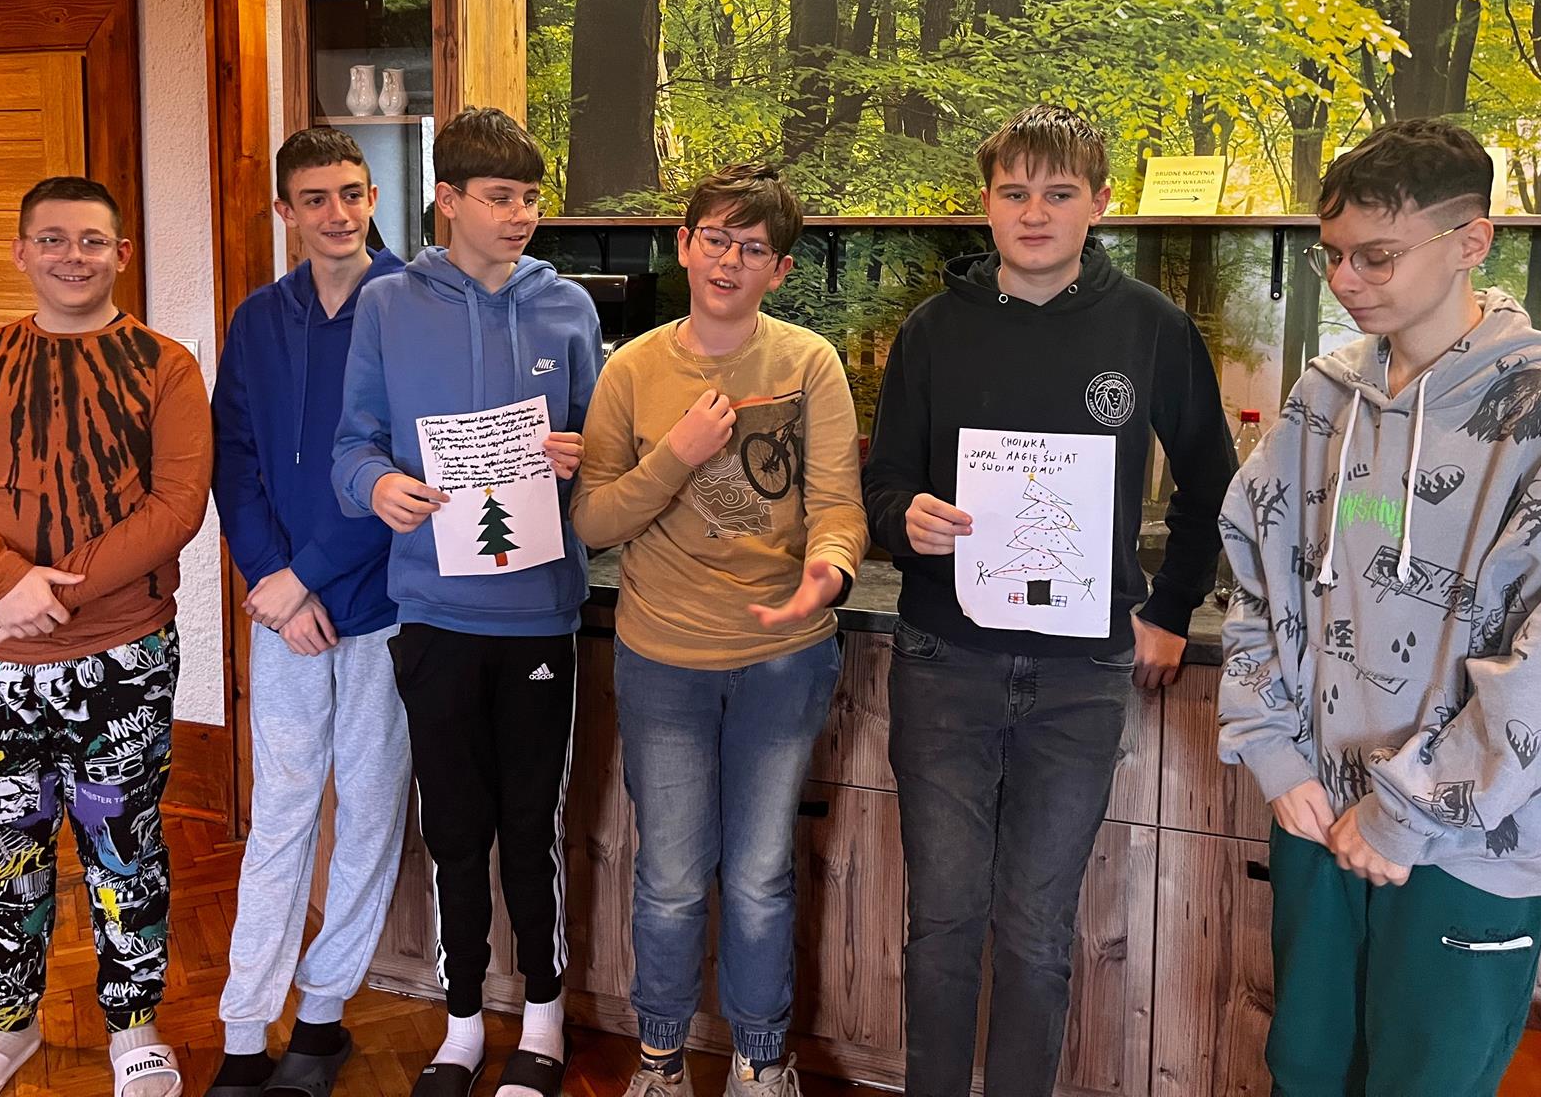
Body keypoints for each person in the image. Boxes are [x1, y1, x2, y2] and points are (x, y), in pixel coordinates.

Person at [1218, 119, 1541, 1096]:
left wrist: (1407, 817)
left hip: (1469, 845)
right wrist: (1275, 754)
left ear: (1470, 241)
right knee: (1305, 1072)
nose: (1346, 279)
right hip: (1322, 816)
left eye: (1377, 255)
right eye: (1332, 255)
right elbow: (1256, 577)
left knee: (1425, 1084)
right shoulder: (1323, 402)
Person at [860, 104, 1237, 1097]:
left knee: (1036, 929)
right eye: (1015, 192)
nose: (1035, 213)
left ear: (1098, 203)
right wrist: (905, 518)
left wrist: (1171, 608)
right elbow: (884, 479)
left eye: (1058, 193)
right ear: (986, 204)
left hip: (1081, 676)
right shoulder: (933, 331)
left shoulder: (1151, 328)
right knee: (942, 921)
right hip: (945, 662)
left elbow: (1212, 481)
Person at [0, 176, 212, 1097]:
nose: (71, 256)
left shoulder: (165, 366)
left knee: (124, 842)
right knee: (4, 848)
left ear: (122, 255)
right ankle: (8, 1024)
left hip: (122, 656)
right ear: (21, 252)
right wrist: (4, 583)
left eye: (90, 241)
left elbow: (177, 508)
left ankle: (134, 1029)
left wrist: (50, 594)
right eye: (51, 239)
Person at [571, 163, 868, 1097]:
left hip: (783, 659)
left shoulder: (809, 364)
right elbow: (594, 520)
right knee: (667, 876)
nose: (729, 261)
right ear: (684, 246)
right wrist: (676, 455)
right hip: (663, 658)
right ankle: (660, 1060)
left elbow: (838, 506)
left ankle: (759, 1061)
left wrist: (830, 568)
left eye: (753, 248)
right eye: (715, 240)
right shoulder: (633, 369)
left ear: (780, 269)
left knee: (760, 875)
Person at [331, 107, 604, 1097]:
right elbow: (351, 449)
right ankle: (459, 1023)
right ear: (447, 200)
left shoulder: (569, 308)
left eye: (531, 197)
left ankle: (544, 1019)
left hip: (540, 618)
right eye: (499, 197)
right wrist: (379, 488)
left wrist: (585, 456)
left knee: (532, 826)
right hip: (434, 617)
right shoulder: (387, 306)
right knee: (453, 829)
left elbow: (610, 456)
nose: (520, 214)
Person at [205, 129, 413, 1097]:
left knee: (369, 807)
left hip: (383, 605)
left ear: (373, 197)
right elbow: (235, 455)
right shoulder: (258, 319)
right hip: (283, 611)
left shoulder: (412, 308)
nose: (339, 213)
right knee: (282, 812)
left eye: (352, 193)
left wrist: (310, 578)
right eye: (316, 198)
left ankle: (322, 1019)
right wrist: (270, 577)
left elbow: (409, 472)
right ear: (285, 212)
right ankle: (245, 1026)